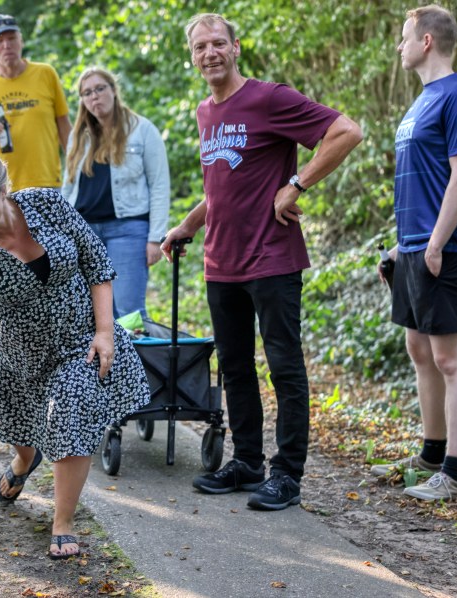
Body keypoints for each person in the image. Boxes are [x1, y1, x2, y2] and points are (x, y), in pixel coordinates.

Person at [162, 13, 363, 511]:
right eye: (200, 47)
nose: (209, 53)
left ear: (235, 47)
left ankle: (287, 475)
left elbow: (346, 131)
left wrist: (295, 185)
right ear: (192, 56)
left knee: (284, 367)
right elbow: (221, 186)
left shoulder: (270, 98)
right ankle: (247, 461)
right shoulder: (205, 112)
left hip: (272, 258)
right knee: (233, 367)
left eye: (218, 44)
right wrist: (188, 225)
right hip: (221, 262)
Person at [0, 152, 150, 559]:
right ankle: (24, 462)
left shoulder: (47, 204)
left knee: (71, 412)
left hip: (80, 340)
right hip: (23, 358)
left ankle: (63, 522)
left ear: (3, 191)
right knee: (22, 434)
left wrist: (105, 332)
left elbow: (95, 260)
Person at [369, 5, 457, 501]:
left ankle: (454, 473)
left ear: (427, 41)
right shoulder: (421, 101)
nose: (399, 46)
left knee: (449, 357)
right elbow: (422, 183)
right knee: (420, 350)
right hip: (415, 246)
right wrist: (402, 245)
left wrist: (435, 243)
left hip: (445, 246)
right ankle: (430, 454)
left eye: (403, 37)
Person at [61, 67, 170, 320]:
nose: (94, 97)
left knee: (129, 313)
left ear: (113, 90)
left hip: (128, 231)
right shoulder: (79, 137)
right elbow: (68, 188)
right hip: (84, 234)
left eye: (100, 89)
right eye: (87, 93)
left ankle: (138, 361)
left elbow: (160, 185)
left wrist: (156, 238)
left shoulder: (143, 130)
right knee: (89, 314)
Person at [0, 14, 71, 192]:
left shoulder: (46, 74)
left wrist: (77, 169)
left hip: (47, 183)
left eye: (12, 38)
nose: (7, 45)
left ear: (22, 41)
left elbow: (65, 128)